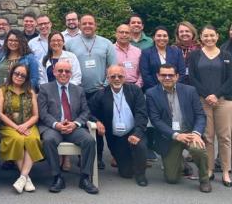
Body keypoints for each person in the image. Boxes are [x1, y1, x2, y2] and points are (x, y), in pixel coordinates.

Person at [146, 64, 211, 193]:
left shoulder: (190, 90)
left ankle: (204, 179)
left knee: (198, 149)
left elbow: (200, 115)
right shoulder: (151, 93)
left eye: (171, 75)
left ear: (177, 76)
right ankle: (182, 164)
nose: (167, 77)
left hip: (190, 133)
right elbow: (156, 120)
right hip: (169, 136)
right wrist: (176, 135)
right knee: (172, 179)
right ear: (158, 76)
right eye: (164, 75)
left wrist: (197, 133)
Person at [38, 60, 99, 195]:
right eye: (60, 71)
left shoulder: (78, 90)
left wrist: (75, 123)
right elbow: (42, 112)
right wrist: (57, 125)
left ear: (71, 74)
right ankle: (57, 177)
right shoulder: (45, 88)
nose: (63, 74)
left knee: (89, 141)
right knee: (48, 141)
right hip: (53, 127)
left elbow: (85, 111)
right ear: (54, 72)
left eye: (67, 71)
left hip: (74, 127)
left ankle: (85, 178)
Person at [66, 14, 117, 169]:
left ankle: (99, 157)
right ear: (79, 25)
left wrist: (106, 85)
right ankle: (82, 157)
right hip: (78, 92)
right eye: (84, 23)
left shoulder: (106, 44)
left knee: (98, 124)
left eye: (91, 23)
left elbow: (113, 67)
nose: (87, 25)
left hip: (99, 91)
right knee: (80, 125)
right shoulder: (70, 44)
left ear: (96, 25)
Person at [89, 65, 148, 186]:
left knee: (140, 146)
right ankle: (131, 161)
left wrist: (137, 133)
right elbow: (88, 111)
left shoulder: (135, 90)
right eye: (113, 76)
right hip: (116, 137)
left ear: (125, 77)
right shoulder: (101, 94)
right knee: (126, 173)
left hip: (134, 131)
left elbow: (141, 114)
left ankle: (141, 173)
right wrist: (96, 121)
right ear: (108, 78)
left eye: (120, 76)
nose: (116, 79)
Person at [188, 25, 232, 186]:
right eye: (205, 36)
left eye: (212, 35)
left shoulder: (227, 55)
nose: (209, 38)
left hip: (224, 101)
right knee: (207, 137)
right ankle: (210, 169)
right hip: (203, 100)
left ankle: (226, 171)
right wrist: (207, 95)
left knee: (225, 137)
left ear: (217, 36)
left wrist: (216, 95)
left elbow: (230, 79)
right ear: (201, 37)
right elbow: (192, 77)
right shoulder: (195, 55)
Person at [0, 63, 43, 193]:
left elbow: (35, 115)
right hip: (9, 126)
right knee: (18, 139)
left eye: (23, 75)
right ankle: (26, 178)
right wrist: (17, 127)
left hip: (28, 125)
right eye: (17, 73)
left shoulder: (30, 91)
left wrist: (24, 126)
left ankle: (22, 177)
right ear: (11, 74)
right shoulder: (2, 90)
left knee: (32, 139)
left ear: (26, 78)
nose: (19, 77)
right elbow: (0, 113)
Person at [139, 26, 186, 91]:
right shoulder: (146, 53)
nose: (162, 38)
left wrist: (173, 87)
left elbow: (182, 72)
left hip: (175, 90)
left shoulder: (176, 52)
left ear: (168, 38)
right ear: (153, 38)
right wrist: (158, 90)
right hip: (154, 90)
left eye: (165, 36)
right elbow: (145, 74)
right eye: (159, 36)